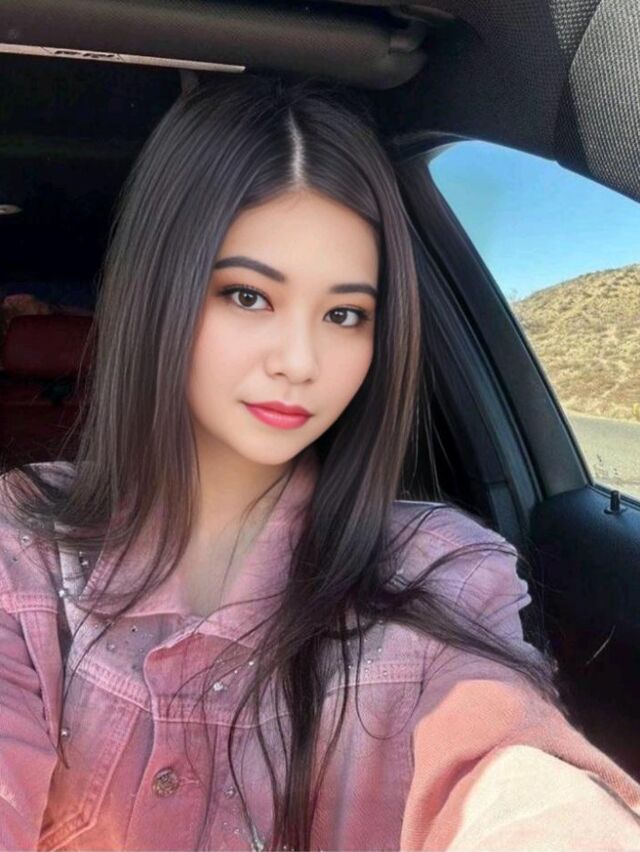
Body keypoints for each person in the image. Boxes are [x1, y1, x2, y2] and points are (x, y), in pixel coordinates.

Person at [0, 75, 639, 852]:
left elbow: (500, 759)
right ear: (159, 291)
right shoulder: (23, 544)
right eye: (248, 296)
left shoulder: (439, 570)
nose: (300, 361)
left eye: (344, 314)